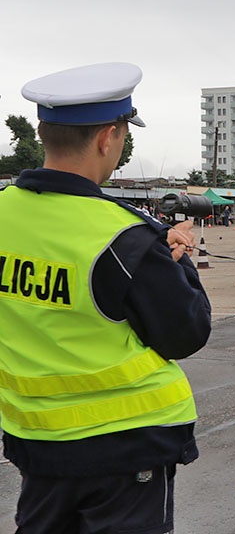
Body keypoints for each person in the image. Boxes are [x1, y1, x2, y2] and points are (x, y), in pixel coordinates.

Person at [0, 62, 211, 534]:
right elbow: (186, 332)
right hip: (124, 448)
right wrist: (180, 258)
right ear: (106, 139)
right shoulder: (123, 235)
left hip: (35, 439)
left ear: (43, 132)